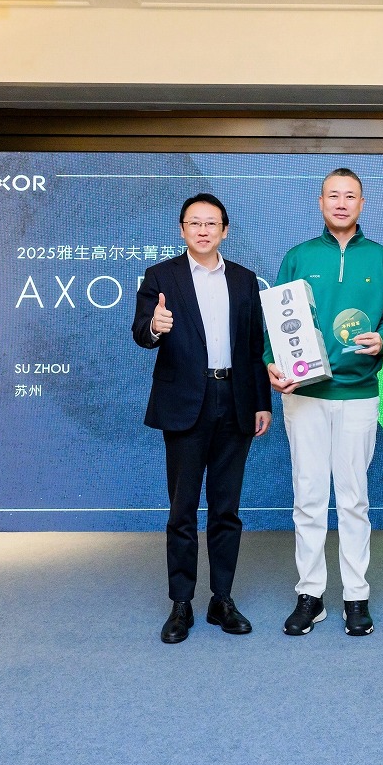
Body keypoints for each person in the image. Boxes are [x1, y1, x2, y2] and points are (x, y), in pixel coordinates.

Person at [132, 193, 272, 644]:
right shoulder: (161, 276)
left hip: (235, 398)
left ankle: (222, 600)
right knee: (183, 509)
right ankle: (181, 603)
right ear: (182, 230)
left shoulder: (245, 279)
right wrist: (155, 327)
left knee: (226, 509)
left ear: (225, 230)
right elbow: (141, 333)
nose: (203, 230)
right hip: (185, 402)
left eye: (212, 223)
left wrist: (262, 402)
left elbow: (254, 347)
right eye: (195, 222)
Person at [266, 168, 383, 637]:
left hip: (358, 394)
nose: (341, 203)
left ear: (362, 203)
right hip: (304, 395)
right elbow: (273, 323)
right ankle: (311, 595)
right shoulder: (298, 257)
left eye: (350, 196)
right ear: (320, 202)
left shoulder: (380, 258)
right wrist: (270, 363)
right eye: (333, 196)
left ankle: (356, 596)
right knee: (308, 497)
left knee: (354, 499)